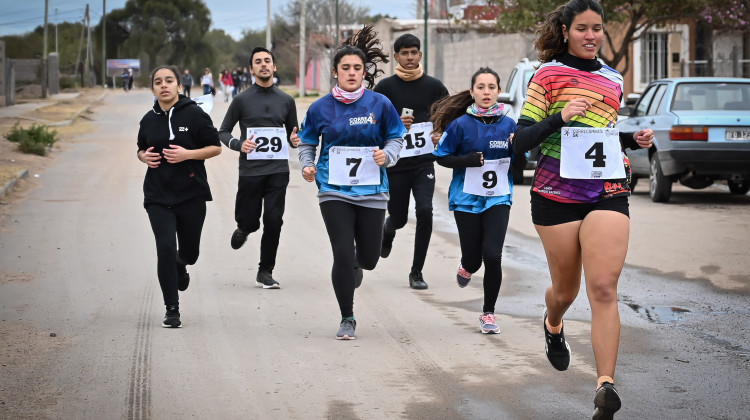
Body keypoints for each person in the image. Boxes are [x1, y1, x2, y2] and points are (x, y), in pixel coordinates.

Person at [511, 0, 655, 418]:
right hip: (556, 195)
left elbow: (600, 138)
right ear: (565, 31)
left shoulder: (613, 78)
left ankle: (605, 386)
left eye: (597, 28)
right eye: (582, 29)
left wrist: (631, 140)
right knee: (566, 291)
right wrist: (559, 116)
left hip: (607, 189)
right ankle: (553, 323)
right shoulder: (548, 74)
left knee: (604, 288)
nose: (591, 36)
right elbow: (520, 142)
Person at [294, 25, 405, 340]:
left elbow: (397, 136)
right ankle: (347, 317)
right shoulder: (320, 108)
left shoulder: (379, 104)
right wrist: (307, 166)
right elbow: (307, 143)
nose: (353, 73)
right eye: (346, 68)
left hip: (373, 190)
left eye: (358, 68)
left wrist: (388, 155)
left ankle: (359, 262)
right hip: (334, 190)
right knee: (342, 253)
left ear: (363, 71)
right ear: (335, 72)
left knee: (367, 260)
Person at [432, 67, 520, 334]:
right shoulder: (460, 125)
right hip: (466, 199)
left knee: (493, 255)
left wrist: (518, 149)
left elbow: (521, 164)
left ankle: (488, 314)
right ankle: (467, 266)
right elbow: (441, 156)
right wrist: (467, 160)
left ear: (498, 92)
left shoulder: (509, 124)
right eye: (480, 87)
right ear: (472, 92)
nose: (486, 92)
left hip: (499, 198)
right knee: (474, 259)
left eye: (491, 87)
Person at [136, 65, 222, 328]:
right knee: (164, 248)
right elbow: (141, 148)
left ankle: (181, 265)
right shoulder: (148, 120)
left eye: (169, 80)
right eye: (158, 82)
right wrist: (143, 157)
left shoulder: (195, 114)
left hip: (191, 194)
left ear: (179, 86)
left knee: (190, 253)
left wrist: (187, 154)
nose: (164, 85)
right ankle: (171, 309)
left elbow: (215, 148)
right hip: (158, 195)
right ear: (153, 88)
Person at [218, 47, 299, 289]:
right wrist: (238, 144)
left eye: (267, 61)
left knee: (274, 220)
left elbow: (293, 133)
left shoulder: (287, 100)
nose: (263, 65)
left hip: (278, 171)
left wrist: (295, 140)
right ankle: (244, 228)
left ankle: (265, 270)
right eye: (258, 62)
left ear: (274, 67)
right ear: (251, 69)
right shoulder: (242, 100)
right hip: (251, 172)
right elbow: (222, 131)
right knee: (250, 220)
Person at [373, 33, 448, 290]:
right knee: (399, 217)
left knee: (425, 211)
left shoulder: (435, 87)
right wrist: (395, 122)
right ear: (396, 56)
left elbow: (448, 119)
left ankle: (416, 271)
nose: (409, 57)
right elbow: (372, 124)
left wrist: (440, 134)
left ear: (420, 55)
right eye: (404, 53)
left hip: (423, 163)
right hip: (396, 165)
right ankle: (388, 229)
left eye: (413, 52)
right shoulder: (385, 89)